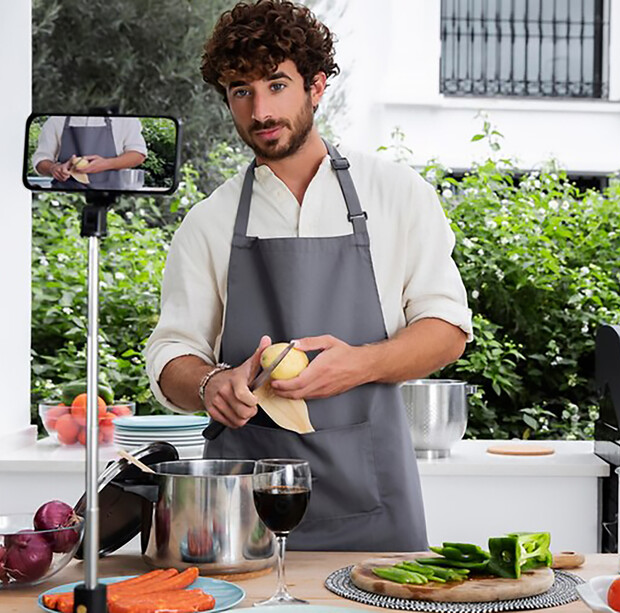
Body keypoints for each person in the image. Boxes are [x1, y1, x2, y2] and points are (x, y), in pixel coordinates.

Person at [143, 0, 472, 552]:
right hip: (241, 507)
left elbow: (447, 329)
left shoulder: (396, 194)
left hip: (375, 496)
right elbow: (171, 352)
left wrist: (359, 364)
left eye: (276, 85)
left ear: (316, 87)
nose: (260, 110)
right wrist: (209, 384)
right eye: (240, 91)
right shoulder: (210, 221)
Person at [31, 115, 148, 190]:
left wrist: (106, 164)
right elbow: (41, 161)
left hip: (112, 197)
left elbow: (138, 154)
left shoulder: (125, 119)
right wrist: (53, 168)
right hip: (64, 198)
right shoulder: (56, 120)